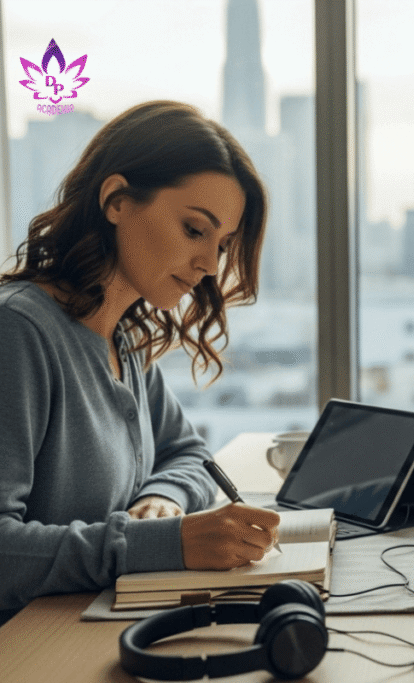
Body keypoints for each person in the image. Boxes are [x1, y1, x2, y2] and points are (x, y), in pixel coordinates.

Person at [0, 101, 281, 625]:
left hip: (89, 627)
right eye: (195, 230)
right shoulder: (19, 332)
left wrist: (162, 500)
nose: (207, 266)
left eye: (222, 245)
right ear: (116, 200)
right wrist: (160, 543)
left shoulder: (120, 338)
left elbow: (192, 455)